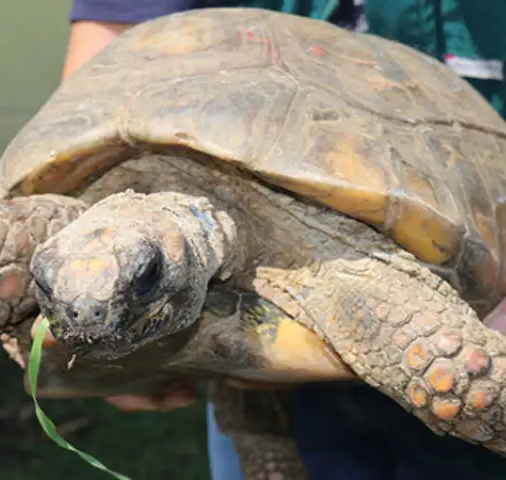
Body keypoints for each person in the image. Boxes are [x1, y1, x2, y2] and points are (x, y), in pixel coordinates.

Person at [59, 2, 506, 479]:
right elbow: (110, 37)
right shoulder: (87, 239)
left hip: (412, 281)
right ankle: (259, 435)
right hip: (269, 380)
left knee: (455, 377)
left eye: (145, 278)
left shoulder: (344, 273)